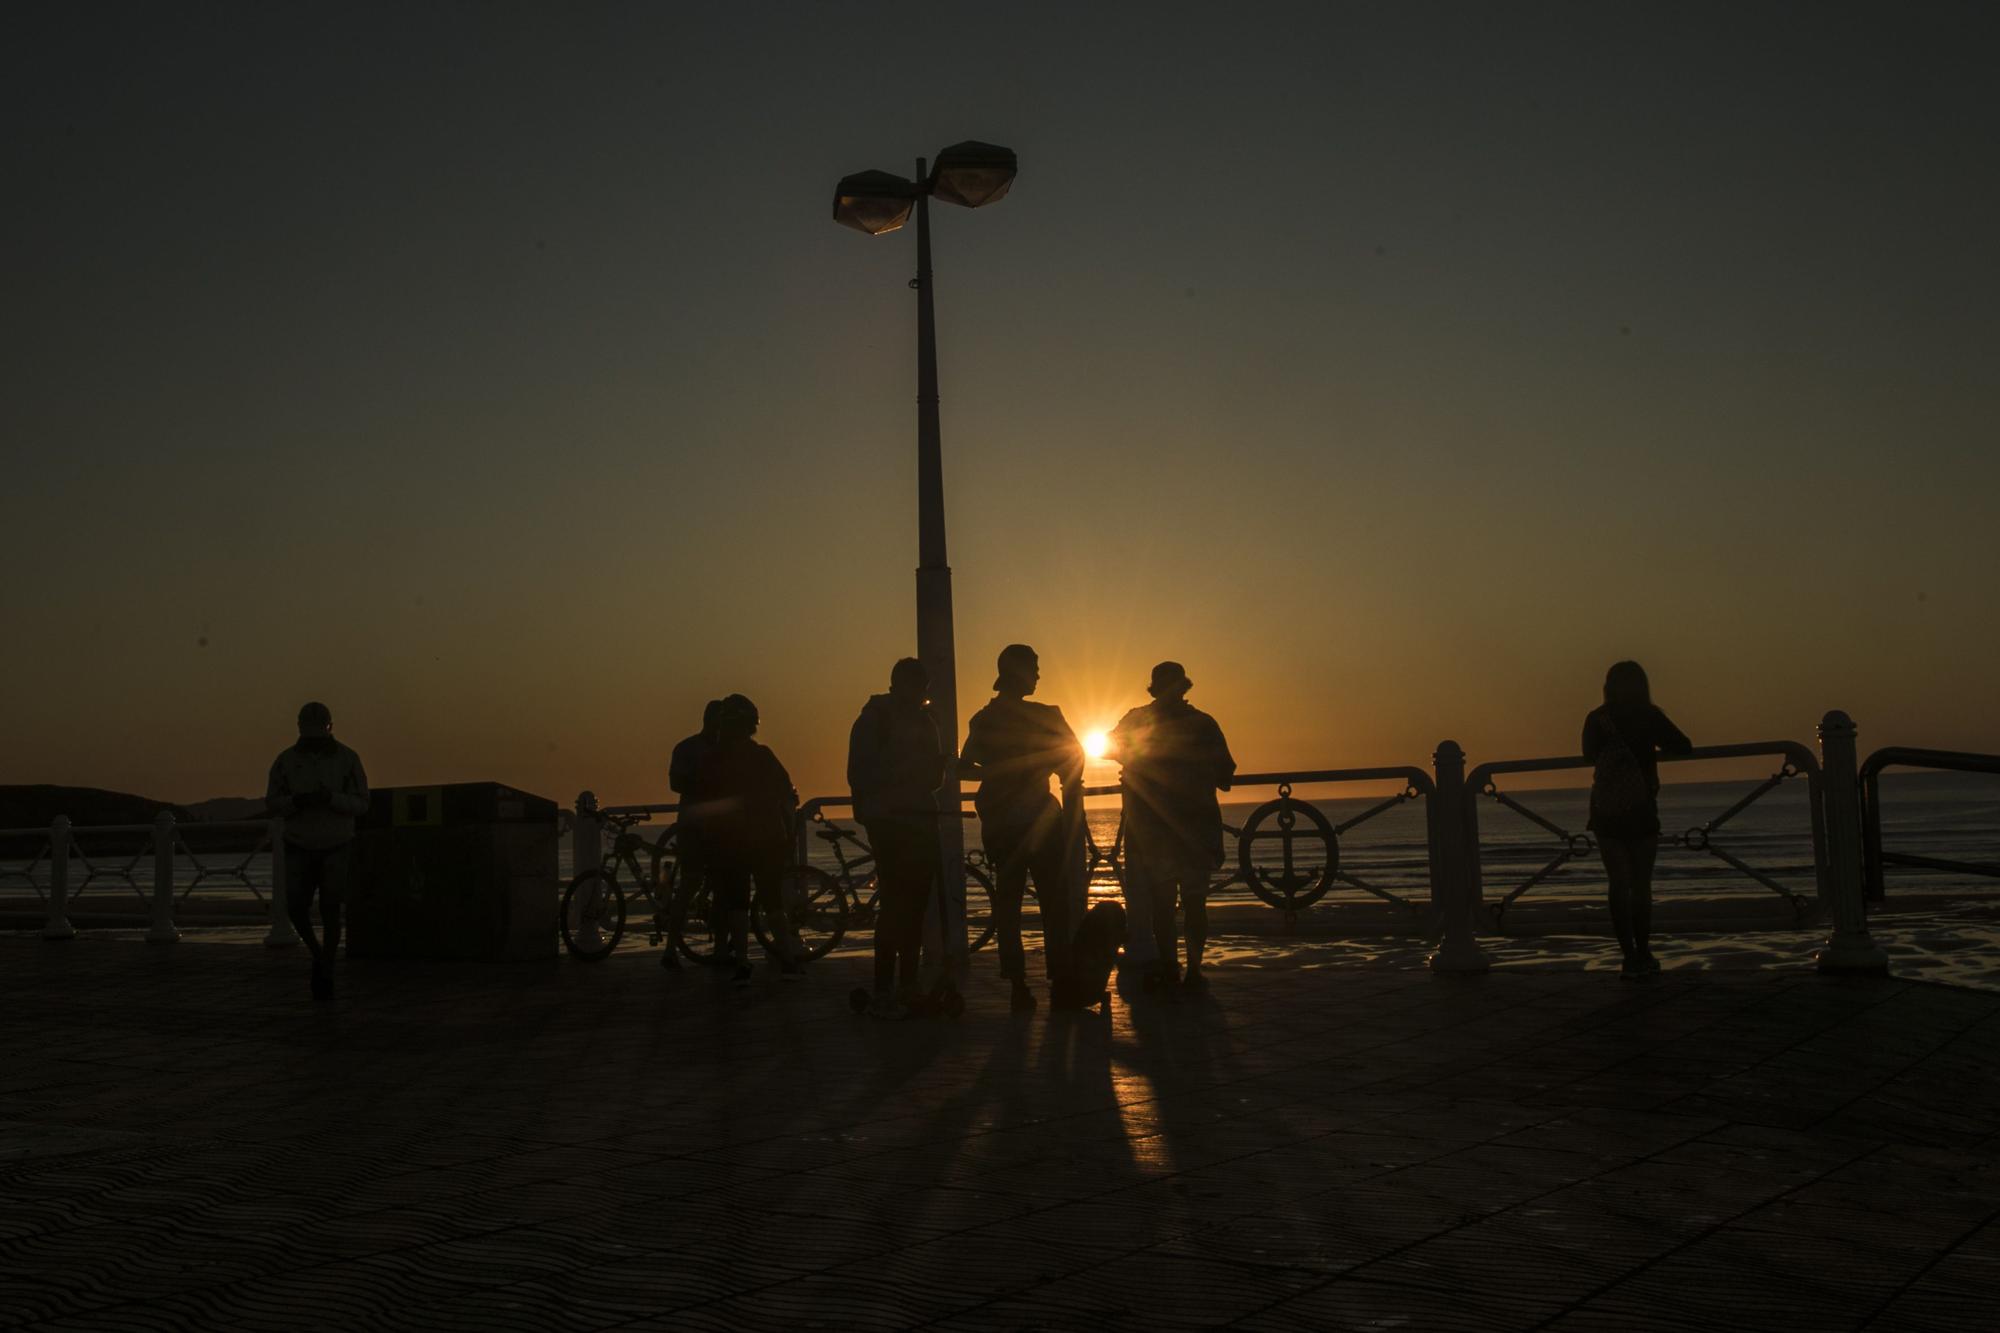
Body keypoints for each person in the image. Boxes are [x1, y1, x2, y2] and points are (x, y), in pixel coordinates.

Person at [960, 644, 1085, 1012]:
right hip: (1041, 823)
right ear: (1022, 673)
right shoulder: (1047, 716)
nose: (1039, 675)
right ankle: (1061, 981)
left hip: (1001, 825)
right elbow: (1074, 762)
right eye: (1035, 668)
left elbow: (964, 769)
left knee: (1009, 905)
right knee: (1054, 905)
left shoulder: (984, 720)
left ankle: (1017, 985)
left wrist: (994, 773)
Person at [1107, 662, 1235, 992]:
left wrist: (1137, 760)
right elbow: (1226, 775)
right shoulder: (1203, 724)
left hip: (1152, 829)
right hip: (1196, 827)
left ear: (1153, 687)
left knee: (1163, 906)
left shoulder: (1136, 719)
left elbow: (1109, 748)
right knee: (1194, 903)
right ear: (1184, 687)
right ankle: (1193, 970)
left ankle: (1170, 967)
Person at [846, 658, 944, 1019]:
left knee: (911, 906)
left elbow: (932, 779)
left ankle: (903, 985)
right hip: (895, 823)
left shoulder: (901, 720)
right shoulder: (879, 720)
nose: (922, 695)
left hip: (912, 821)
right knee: (897, 906)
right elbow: (861, 773)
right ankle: (890, 988)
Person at [1581, 661, 1692, 978]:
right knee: (1641, 884)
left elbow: (1588, 754)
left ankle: (1627, 955)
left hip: (1605, 809)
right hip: (1641, 809)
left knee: (1617, 883)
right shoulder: (1649, 715)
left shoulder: (1597, 718)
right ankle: (1644, 951)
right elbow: (1683, 746)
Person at [685, 694, 801, 987]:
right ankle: (788, 959)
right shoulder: (762, 756)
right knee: (772, 899)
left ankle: (742, 962)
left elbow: (703, 800)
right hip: (766, 837)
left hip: (728, 839)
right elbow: (788, 794)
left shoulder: (712, 760)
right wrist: (788, 832)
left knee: (736, 901)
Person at [265, 701, 369, 1002]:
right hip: (298, 843)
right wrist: (296, 802)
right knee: (295, 907)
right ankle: (319, 956)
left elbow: (363, 802)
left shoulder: (348, 759)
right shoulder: (285, 761)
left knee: (330, 910)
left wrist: (331, 799)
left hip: (336, 844)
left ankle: (326, 964)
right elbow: (272, 802)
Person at [668, 700, 723, 967]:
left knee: (716, 884)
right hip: (696, 826)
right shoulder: (690, 748)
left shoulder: (694, 748)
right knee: (690, 884)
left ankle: (719, 947)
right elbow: (675, 782)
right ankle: (671, 948)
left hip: (716, 826)